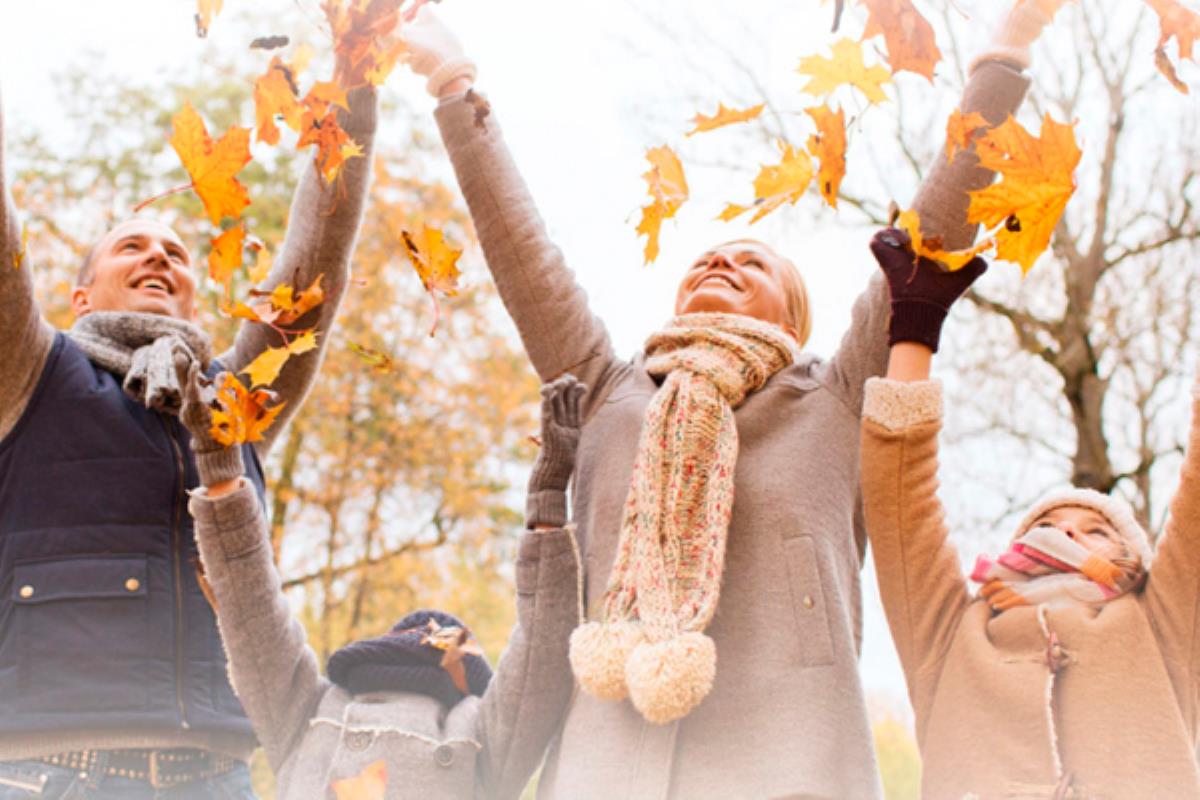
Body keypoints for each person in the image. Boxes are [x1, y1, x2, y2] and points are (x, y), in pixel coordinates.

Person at [398, 4, 1057, 798]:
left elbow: (933, 231)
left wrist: (1003, 60)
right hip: (608, 770)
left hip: (790, 768)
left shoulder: (836, 395)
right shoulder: (609, 390)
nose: (721, 262)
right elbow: (520, 249)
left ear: (793, 319)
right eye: (707, 258)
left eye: (752, 262)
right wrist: (452, 83)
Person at [0, 19, 381, 797]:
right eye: (131, 247)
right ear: (80, 297)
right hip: (52, 772)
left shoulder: (232, 398)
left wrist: (358, 70)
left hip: (216, 775)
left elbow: (314, 272)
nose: (158, 255)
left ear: (192, 294)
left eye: (175, 252)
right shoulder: (32, 371)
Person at [862, 234, 1200, 797]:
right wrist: (916, 324)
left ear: (1133, 563)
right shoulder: (956, 633)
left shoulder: (1160, 626)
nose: (1067, 530)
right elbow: (899, 502)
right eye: (1048, 527)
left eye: (1097, 531)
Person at [178, 370, 584, 800]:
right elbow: (542, 656)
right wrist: (547, 504)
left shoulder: (312, 713)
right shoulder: (480, 732)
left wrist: (220, 475)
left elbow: (254, 619)